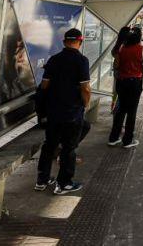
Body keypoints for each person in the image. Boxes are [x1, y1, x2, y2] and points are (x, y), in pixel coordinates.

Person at [35, 28, 90, 194]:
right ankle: (64, 183)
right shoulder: (81, 60)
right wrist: (85, 105)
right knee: (69, 148)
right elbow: (85, 88)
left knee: (49, 145)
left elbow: (44, 85)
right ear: (80, 41)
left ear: (65, 42)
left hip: (53, 112)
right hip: (72, 112)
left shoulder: (54, 59)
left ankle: (42, 180)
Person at [108, 27, 143, 149]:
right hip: (134, 83)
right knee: (131, 111)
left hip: (121, 82)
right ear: (139, 38)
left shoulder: (121, 49)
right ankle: (127, 140)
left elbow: (116, 65)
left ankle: (113, 138)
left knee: (121, 109)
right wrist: (139, 64)